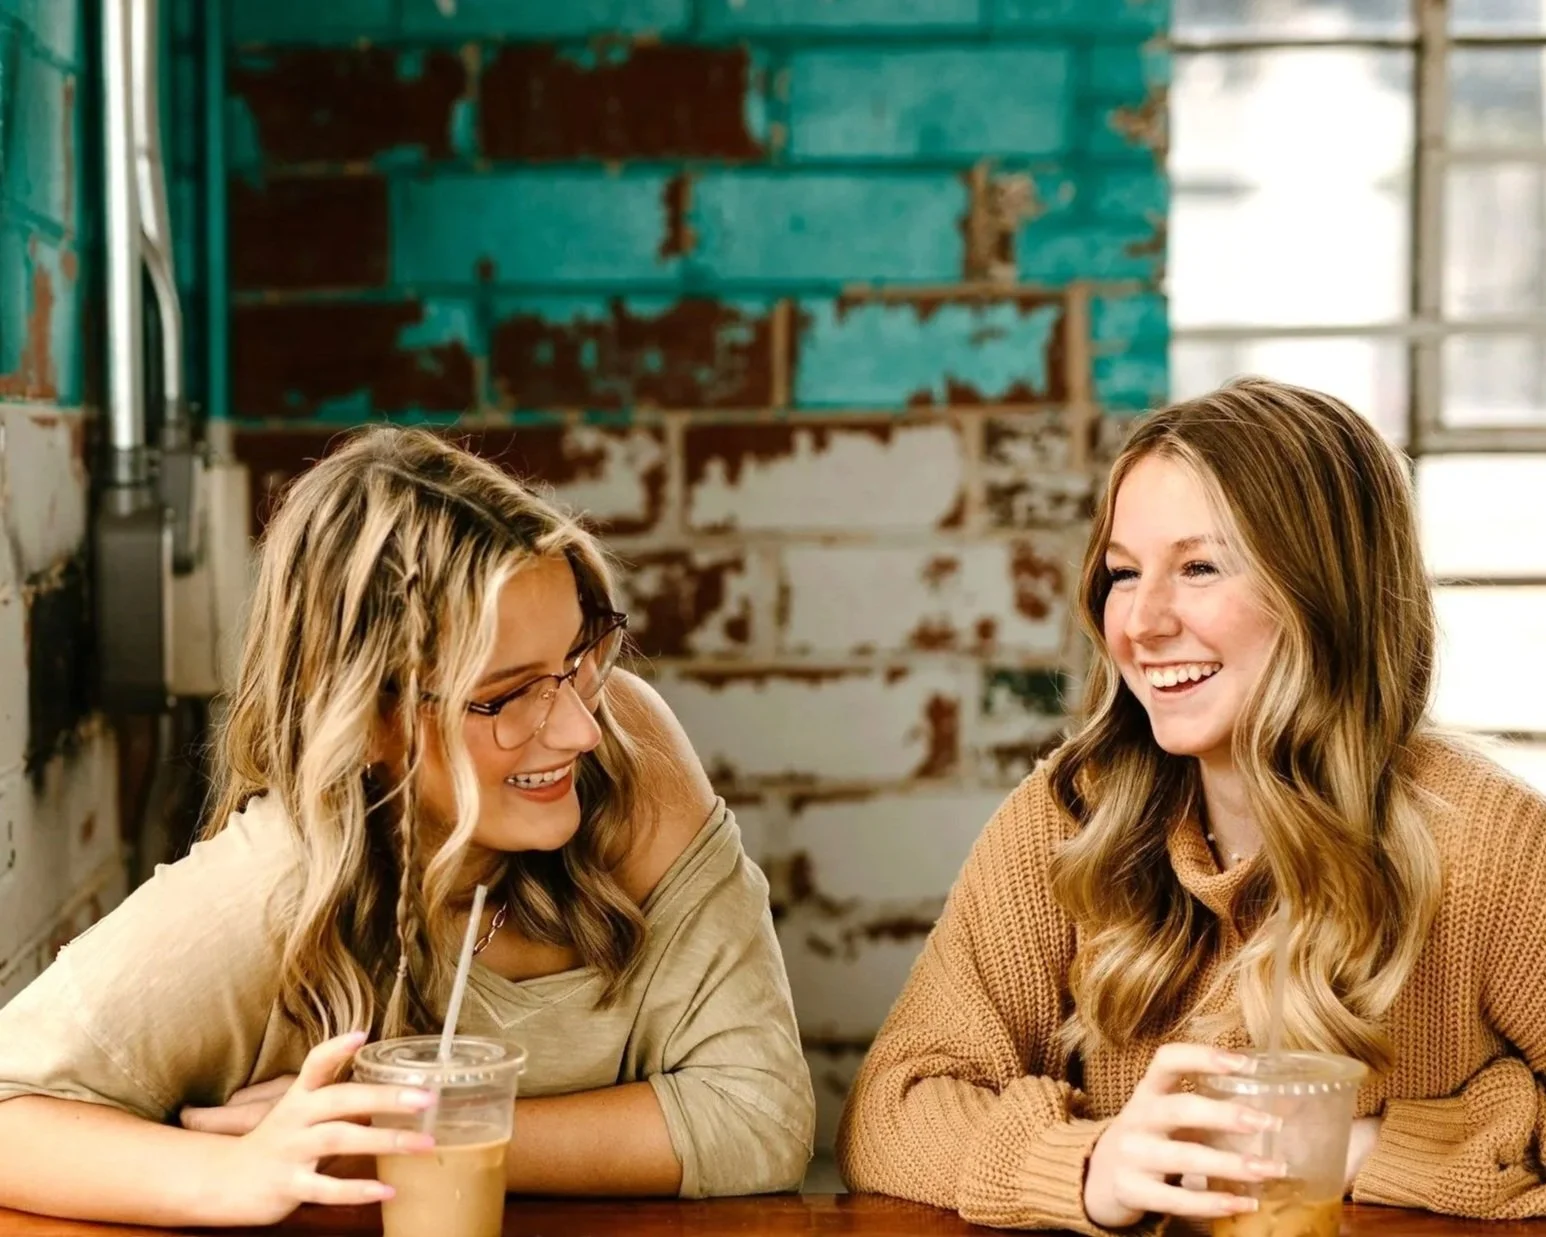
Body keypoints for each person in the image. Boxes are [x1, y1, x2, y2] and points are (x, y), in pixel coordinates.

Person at [0, 427, 813, 1227]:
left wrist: (401, 1133)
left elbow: (761, 1115)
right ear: (370, 721)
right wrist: (223, 1171)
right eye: (506, 694)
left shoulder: (631, 753)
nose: (578, 729)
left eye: (577, 659)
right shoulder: (271, 887)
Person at [836, 378, 1546, 1231]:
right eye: (1123, 573)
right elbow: (893, 1105)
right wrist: (1090, 1163)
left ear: (1325, 593)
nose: (1139, 622)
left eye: (1199, 567)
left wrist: (1370, 1144)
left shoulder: (1489, 844)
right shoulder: (1070, 817)